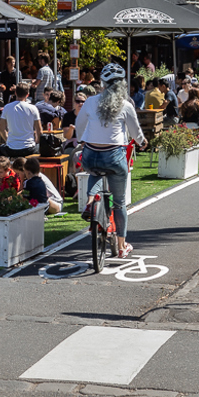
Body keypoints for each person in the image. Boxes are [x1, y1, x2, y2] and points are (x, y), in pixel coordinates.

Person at [75, 63, 147, 259]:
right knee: (120, 203)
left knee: (94, 172)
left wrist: (82, 139)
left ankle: (90, 202)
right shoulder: (126, 105)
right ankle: (122, 246)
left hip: (91, 154)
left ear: (103, 84)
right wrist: (142, 142)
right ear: (123, 85)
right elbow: (135, 132)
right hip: (114, 156)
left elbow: (79, 127)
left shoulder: (89, 102)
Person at [0, 82, 42, 157]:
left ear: (15, 93)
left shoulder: (7, 107)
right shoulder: (33, 108)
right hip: (29, 148)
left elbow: (1, 129)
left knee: (1, 148)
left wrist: (8, 140)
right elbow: (39, 131)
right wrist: (36, 142)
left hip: (11, 148)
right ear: (27, 94)